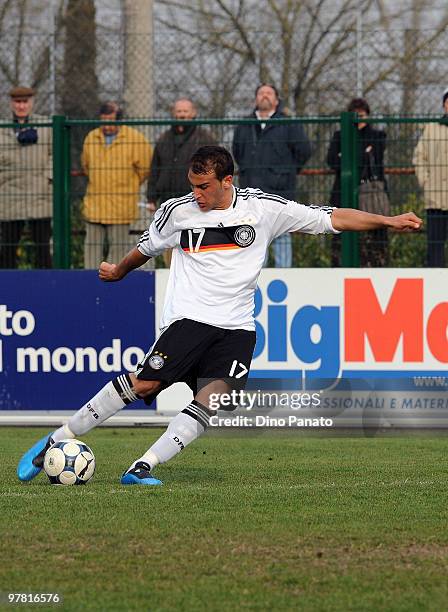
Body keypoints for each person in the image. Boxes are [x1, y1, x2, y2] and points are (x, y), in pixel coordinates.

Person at [17, 145, 422, 486]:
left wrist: (387, 221)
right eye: (192, 186)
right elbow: (147, 247)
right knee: (144, 384)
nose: (197, 194)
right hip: (189, 320)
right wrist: (119, 271)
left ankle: (143, 467)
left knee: (214, 399)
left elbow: (330, 217)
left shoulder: (264, 209)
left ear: (228, 181)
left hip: (237, 329)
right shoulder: (178, 212)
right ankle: (57, 439)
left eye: (204, 186)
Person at [232, 83, 312, 267]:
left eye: (269, 93)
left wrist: (288, 170)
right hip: (251, 193)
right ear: (255, 99)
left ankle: (284, 275)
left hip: (280, 192)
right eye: (261, 93)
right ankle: (258, 276)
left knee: (282, 234)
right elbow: (237, 151)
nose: (265, 96)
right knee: (256, 236)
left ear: (276, 99)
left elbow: (304, 150)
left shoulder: (288, 123)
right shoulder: (244, 125)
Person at [81, 101, 153, 269]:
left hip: (121, 205)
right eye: (103, 121)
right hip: (95, 204)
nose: (106, 126)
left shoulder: (135, 139)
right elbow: (86, 166)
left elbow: (145, 168)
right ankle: (91, 282)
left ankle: (113, 282)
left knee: (118, 251)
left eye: (110, 121)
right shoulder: (91, 138)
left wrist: (128, 184)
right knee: (91, 250)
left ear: (119, 120)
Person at [147, 97, 217, 267]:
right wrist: (151, 197)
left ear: (193, 114)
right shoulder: (163, 139)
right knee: (169, 242)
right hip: (168, 200)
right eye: (179, 111)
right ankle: (172, 272)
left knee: (196, 241)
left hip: (196, 200)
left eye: (185, 111)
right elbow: (155, 168)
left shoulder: (205, 138)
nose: (182, 115)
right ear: (173, 114)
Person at [327, 97, 388, 267]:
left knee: (374, 239)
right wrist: (363, 152)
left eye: (362, 114)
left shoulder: (377, 135)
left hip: (370, 196)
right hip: (343, 195)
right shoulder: (339, 135)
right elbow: (331, 159)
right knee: (341, 236)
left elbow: (369, 159)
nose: (359, 119)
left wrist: (346, 156)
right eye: (356, 115)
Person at [0, 86, 53, 269]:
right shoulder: (2, 128)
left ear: (32, 102)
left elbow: (56, 155)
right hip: (9, 196)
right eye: (17, 102)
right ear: (11, 103)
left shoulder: (46, 126)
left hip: (39, 194)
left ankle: (46, 285)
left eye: (25, 102)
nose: (21, 106)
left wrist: (48, 178)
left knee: (43, 247)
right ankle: (7, 289)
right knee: (7, 247)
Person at [413, 88, 448, 267]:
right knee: (435, 245)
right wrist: (425, 182)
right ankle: (437, 281)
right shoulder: (431, 129)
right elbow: (419, 157)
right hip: (435, 198)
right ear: (444, 104)